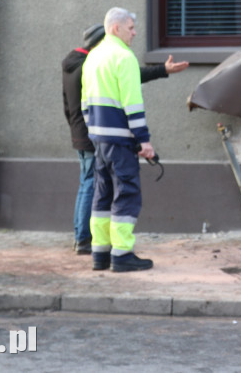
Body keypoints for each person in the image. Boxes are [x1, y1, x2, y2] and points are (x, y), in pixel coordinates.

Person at [62, 22, 188, 254]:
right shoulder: (93, 63)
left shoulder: (73, 65)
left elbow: (68, 107)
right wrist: (162, 70)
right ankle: (84, 239)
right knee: (94, 185)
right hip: (97, 134)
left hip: (83, 133)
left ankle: (83, 236)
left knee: (87, 183)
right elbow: (129, 75)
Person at [81, 8, 163, 272]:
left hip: (99, 140)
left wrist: (94, 131)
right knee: (126, 194)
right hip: (120, 141)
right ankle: (122, 254)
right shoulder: (123, 57)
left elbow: (85, 103)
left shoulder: (92, 57)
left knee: (102, 196)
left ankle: (100, 254)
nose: (135, 33)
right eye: (130, 28)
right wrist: (144, 140)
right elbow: (132, 103)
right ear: (115, 28)